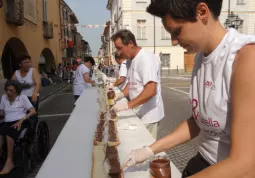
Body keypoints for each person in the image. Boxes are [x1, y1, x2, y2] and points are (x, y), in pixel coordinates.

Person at [122, 0, 255, 177]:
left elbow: (245, 165)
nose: (173, 42)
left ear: (202, 12)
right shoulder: (200, 57)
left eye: (177, 31)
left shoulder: (246, 58)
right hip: (203, 160)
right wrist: (149, 150)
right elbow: (198, 122)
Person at [111, 29, 164, 139]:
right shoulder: (131, 60)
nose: (119, 52)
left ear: (130, 43)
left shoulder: (146, 59)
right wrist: (119, 95)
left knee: (145, 147)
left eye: (120, 48)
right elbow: (131, 84)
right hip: (138, 110)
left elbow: (151, 90)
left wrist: (127, 105)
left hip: (150, 115)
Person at [0, 80, 36, 174]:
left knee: (9, 132)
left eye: (11, 90)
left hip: (21, 121)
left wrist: (22, 119)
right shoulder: (4, 97)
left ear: (16, 90)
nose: (8, 92)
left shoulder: (22, 97)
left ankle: (9, 162)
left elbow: (32, 111)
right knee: (1, 132)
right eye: (7, 90)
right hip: (7, 121)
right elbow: (2, 112)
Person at [11, 52, 41, 124]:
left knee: (32, 114)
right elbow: (11, 84)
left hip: (31, 96)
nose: (28, 64)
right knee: (19, 114)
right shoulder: (16, 73)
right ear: (20, 64)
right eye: (25, 63)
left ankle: (32, 129)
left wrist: (35, 93)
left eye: (29, 62)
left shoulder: (33, 71)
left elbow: (38, 84)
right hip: (20, 97)